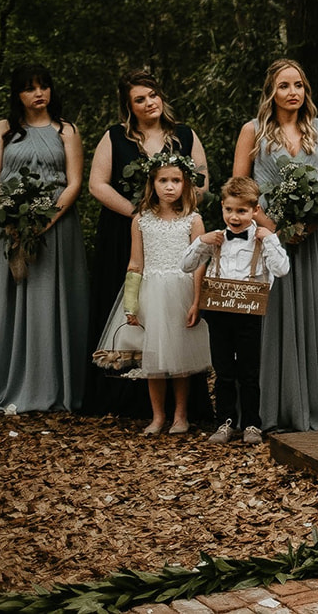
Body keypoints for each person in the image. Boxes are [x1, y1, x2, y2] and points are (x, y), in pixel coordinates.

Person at [83, 69, 211, 417]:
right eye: (139, 99)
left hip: (176, 232)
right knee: (136, 313)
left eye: (152, 95)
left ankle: (182, 407)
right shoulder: (115, 137)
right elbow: (97, 184)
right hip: (126, 230)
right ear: (129, 106)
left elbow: (201, 182)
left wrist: (174, 213)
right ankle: (125, 399)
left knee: (174, 318)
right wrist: (141, 214)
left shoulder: (185, 135)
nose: (149, 102)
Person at [232, 57, 318, 432]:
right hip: (268, 235)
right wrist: (272, 227)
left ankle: (315, 405)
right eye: (284, 85)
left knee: (312, 311)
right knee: (272, 317)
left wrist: (314, 218)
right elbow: (239, 187)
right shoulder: (252, 131)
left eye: (298, 85)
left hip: (310, 237)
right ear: (271, 91)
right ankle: (271, 408)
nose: (292, 92)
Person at [0, 64, 89, 412]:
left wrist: (45, 220)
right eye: (30, 88)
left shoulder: (66, 130)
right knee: (11, 295)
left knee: (48, 299)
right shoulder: (3, 128)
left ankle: (51, 384)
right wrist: (8, 217)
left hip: (56, 226)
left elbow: (75, 182)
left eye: (44, 86)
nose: (39, 93)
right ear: (17, 94)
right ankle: (5, 381)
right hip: (9, 226)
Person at [91, 151, 212, 434]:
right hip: (151, 294)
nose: (169, 187)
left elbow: (200, 264)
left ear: (185, 184)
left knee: (181, 357)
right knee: (153, 358)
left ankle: (181, 416)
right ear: (152, 183)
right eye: (163, 180)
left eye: (176, 181)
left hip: (182, 292)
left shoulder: (193, 220)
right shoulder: (141, 220)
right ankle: (158, 417)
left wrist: (197, 301)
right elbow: (135, 263)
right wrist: (131, 303)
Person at [182, 176, 291, 444]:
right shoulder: (216, 239)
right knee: (223, 372)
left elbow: (281, 270)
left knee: (249, 372)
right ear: (222, 207)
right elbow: (186, 266)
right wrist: (201, 241)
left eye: (241, 211)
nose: (234, 216)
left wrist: (271, 240)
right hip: (218, 314)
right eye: (229, 209)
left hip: (249, 314)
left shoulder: (262, 240)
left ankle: (252, 424)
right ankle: (225, 422)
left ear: (255, 210)